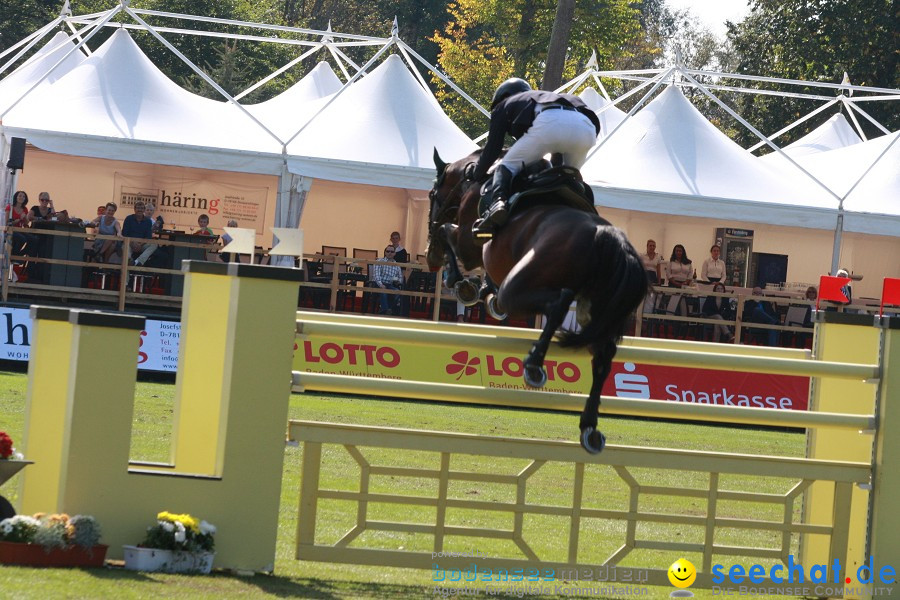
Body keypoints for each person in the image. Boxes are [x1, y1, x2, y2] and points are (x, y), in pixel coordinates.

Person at [469, 78, 601, 241]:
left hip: (550, 122)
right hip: (587, 128)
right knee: (569, 178)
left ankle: (498, 204)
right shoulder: (547, 97)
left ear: (503, 97)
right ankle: (590, 214)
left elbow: (493, 150)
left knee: (507, 166)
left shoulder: (504, 105)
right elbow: (557, 155)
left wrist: (476, 174)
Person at [121, 201, 157, 266]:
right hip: (129, 243)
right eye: (138, 208)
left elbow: (148, 237)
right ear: (134, 209)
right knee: (125, 252)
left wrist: (140, 245)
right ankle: (130, 262)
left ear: (144, 210)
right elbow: (124, 234)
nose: (139, 210)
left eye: (141, 208)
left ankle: (138, 261)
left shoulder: (148, 221)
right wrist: (132, 243)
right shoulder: (128, 218)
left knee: (154, 244)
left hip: (142, 244)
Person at [371, 246, 403, 315]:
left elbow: (400, 278)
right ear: (385, 252)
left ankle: (388, 309)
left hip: (390, 284)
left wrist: (398, 281)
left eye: (392, 252)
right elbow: (376, 276)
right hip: (378, 283)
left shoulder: (397, 265)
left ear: (395, 253)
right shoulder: (379, 261)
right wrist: (381, 284)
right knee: (384, 290)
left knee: (397, 292)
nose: (390, 253)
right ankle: (385, 310)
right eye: (388, 251)